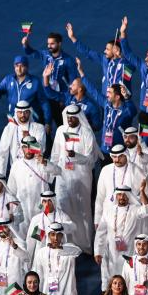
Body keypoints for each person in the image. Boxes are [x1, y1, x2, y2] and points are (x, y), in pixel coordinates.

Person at [49, 104, 97, 253]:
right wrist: (51, 176)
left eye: (73, 117)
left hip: (81, 177)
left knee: (82, 211)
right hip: (62, 177)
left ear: (79, 117)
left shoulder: (87, 133)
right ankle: (67, 244)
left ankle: (86, 245)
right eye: (68, 117)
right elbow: (55, 155)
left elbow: (91, 160)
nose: (70, 119)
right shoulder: (60, 131)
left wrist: (75, 157)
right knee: (64, 209)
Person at [95, 184, 148, 290]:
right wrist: (98, 251)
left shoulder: (135, 210)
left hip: (129, 253)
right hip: (112, 253)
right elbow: (101, 232)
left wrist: (142, 191)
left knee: (130, 282)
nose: (121, 197)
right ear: (116, 196)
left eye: (125, 195)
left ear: (129, 196)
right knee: (113, 282)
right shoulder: (108, 211)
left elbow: (147, 209)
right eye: (119, 194)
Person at [7, 136, 61, 233]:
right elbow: (11, 191)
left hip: (40, 209)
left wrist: (44, 162)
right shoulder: (16, 165)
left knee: (39, 238)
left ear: (35, 147)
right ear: (22, 148)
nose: (28, 150)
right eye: (25, 147)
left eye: (30, 147)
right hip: (23, 210)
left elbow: (58, 171)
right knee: (24, 240)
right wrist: (10, 212)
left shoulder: (42, 163)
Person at [24, 31, 79, 123]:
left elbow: (73, 82)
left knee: (61, 124)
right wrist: (26, 45)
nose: (49, 46)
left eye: (52, 44)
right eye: (48, 44)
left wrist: (65, 99)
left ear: (59, 44)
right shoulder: (45, 54)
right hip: (44, 95)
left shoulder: (68, 60)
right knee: (42, 124)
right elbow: (31, 52)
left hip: (58, 98)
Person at [82, 72, 137, 154]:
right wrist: (82, 75)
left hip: (119, 151)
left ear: (117, 97)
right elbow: (94, 91)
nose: (107, 94)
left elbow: (133, 112)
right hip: (104, 149)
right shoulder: (106, 104)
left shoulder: (126, 111)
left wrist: (127, 98)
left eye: (110, 93)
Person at [66, 22, 127, 94]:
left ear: (115, 50)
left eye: (107, 49)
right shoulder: (104, 59)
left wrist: (123, 33)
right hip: (105, 101)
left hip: (119, 101)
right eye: (105, 48)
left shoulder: (124, 64)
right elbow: (87, 51)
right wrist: (72, 37)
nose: (104, 51)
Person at [0, 55, 51, 127]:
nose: (19, 69)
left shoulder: (35, 82)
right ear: (14, 66)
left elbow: (44, 103)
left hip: (31, 121)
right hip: (14, 120)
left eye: (22, 66)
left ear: (27, 67)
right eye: (17, 66)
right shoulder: (8, 80)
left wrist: (47, 122)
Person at [94, 144, 145, 230]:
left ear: (126, 155)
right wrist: (97, 219)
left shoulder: (136, 171)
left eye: (120, 156)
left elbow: (144, 196)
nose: (116, 160)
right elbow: (100, 197)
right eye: (114, 157)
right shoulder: (105, 170)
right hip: (108, 214)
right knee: (102, 241)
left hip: (129, 217)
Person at [0, 100, 47, 175]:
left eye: (26, 112)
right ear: (16, 113)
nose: (23, 115)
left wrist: (29, 139)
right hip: (16, 173)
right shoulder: (9, 128)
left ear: (30, 112)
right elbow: (2, 154)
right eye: (20, 112)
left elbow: (41, 150)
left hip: (35, 172)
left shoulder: (39, 128)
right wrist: (1, 176)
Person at [25, 190, 75, 260]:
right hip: (41, 256)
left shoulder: (61, 216)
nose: (47, 204)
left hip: (57, 254)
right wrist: (27, 259)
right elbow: (30, 242)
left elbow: (73, 227)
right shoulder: (37, 219)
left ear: (53, 201)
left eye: (49, 201)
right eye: (45, 201)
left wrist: (60, 225)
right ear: (42, 203)